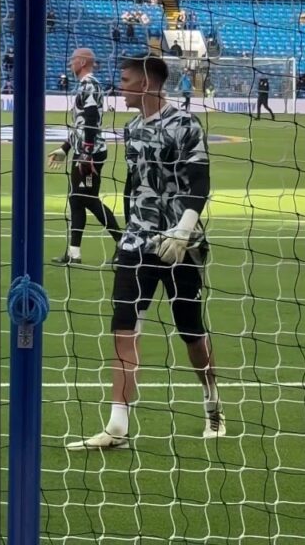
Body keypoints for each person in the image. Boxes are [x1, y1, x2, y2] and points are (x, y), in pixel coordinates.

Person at [66, 55, 224, 450]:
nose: (119, 87)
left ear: (149, 83)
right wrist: (124, 234)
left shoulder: (184, 124)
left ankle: (213, 404)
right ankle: (117, 424)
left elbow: (199, 179)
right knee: (123, 324)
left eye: (126, 80)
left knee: (190, 328)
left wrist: (185, 230)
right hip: (138, 243)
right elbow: (133, 185)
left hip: (179, 245)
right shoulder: (131, 129)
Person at [46, 48, 122, 264]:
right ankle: (74, 253)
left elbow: (91, 118)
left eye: (73, 60)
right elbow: (81, 125)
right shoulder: (85, 85)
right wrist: (65, 148)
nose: (70, 64)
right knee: (77, 200)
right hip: (83, 151)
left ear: (82, 62)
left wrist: (86, 153)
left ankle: (122, 242)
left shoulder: (89, 85)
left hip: (91, 153)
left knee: (86, 199)